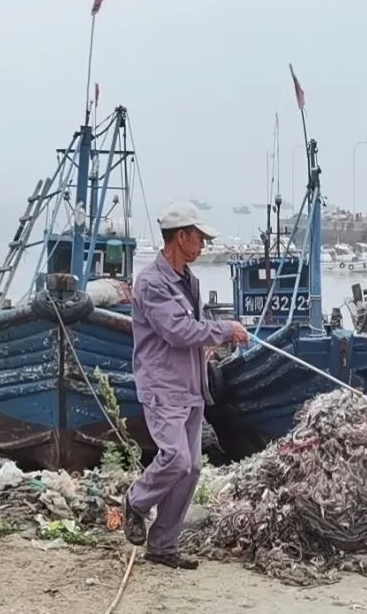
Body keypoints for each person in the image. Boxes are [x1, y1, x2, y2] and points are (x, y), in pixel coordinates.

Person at [123, 201, 249, 569]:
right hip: (163, 386)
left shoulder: (188, 281)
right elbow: (177, 331)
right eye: (199, 238)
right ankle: (136, 500)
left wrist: (209, 339)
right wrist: (226, 329)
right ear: (181, 237)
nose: (204, 245)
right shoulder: (150, 282)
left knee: (192, 468)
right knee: (175, 458)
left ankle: (162, 545)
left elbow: (189, 327)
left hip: (191, 386)